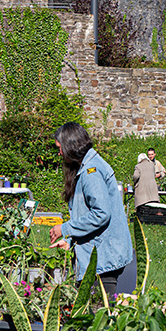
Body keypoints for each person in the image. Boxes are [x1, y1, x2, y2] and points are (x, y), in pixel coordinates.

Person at [47, 123, 134, 297]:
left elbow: (101, 214)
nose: (59, 153)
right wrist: (70, 241)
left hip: (103, 258)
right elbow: (88, 216)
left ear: (71, 146)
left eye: (60, 148)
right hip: (100, 253)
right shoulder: (88, 166)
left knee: (98, 316)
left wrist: (65, 228)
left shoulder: (91, 172)